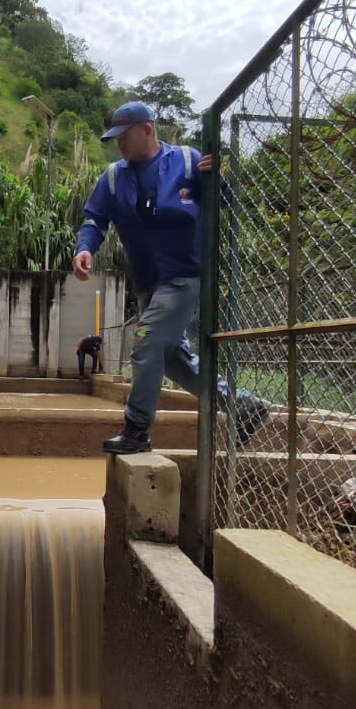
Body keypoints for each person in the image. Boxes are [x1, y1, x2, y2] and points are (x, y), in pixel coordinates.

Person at [74, 101, 269, 454]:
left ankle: (136, 430)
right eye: (114, 138)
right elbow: (94, 220)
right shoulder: (114, 176)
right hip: (148, 284)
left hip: (184, 278)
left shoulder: (188, 160)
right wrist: (83, 249)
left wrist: (217, 181)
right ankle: (242, 403)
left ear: (147, 130)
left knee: (146, 342)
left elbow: (222, 203)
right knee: (175, 361)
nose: (118, 144)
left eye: (124, 136)